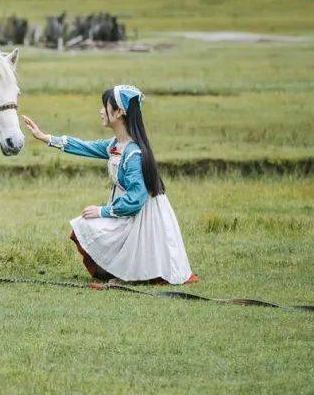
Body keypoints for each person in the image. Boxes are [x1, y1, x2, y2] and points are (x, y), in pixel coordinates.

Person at [22, 83, 196, 285]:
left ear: (119, 112)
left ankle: (129, 273)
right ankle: (117, 271)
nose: (101, 111)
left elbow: (136, 200)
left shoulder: (133, 154)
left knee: (89, 222)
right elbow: (85, 146)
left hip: (142, 217)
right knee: (86, 224)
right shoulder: (115, 144)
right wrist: (45, 137)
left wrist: (102, 211)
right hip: (127, 212)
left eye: (105, 106)